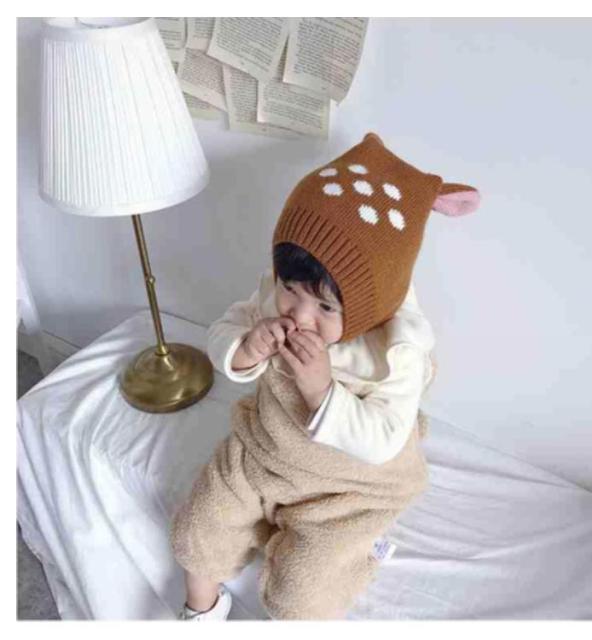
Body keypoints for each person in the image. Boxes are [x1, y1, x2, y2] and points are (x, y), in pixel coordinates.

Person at [170, 132, 480, 620]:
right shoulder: (274, 297)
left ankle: (358, 557)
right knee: (198, 530)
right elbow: (223, 330)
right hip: (263, 454)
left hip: (347, 489)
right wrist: (246, 347)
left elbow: (382, 439)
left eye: (324, 306)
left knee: (302, 593)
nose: (299, 314)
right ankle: (200, 610)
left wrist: (319, 389)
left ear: (371, 304)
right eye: (291, 289)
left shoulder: (395, 350)